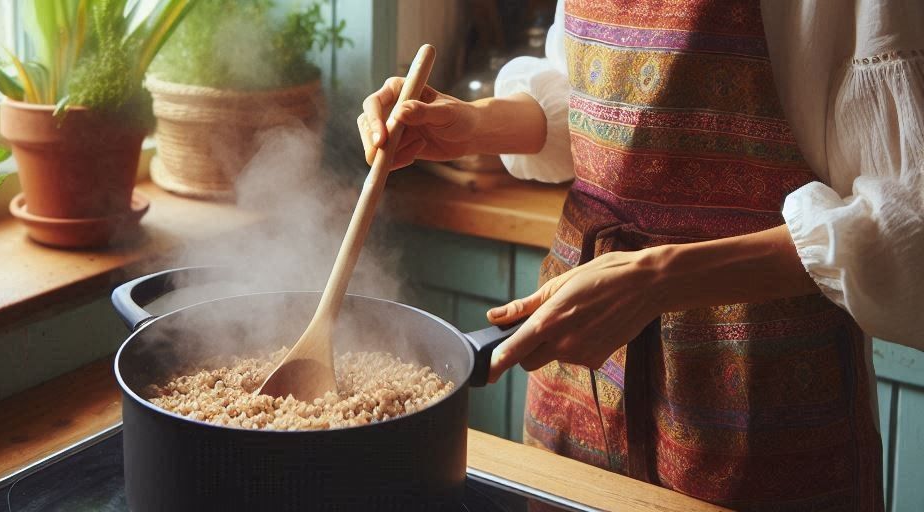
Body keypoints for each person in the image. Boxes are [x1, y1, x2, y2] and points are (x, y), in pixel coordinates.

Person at [358, 0, 922, 510]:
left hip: (762, 387)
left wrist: (659, 279)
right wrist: (473, 124)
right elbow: (592, 96)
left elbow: (909, 216)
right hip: (579, 350)